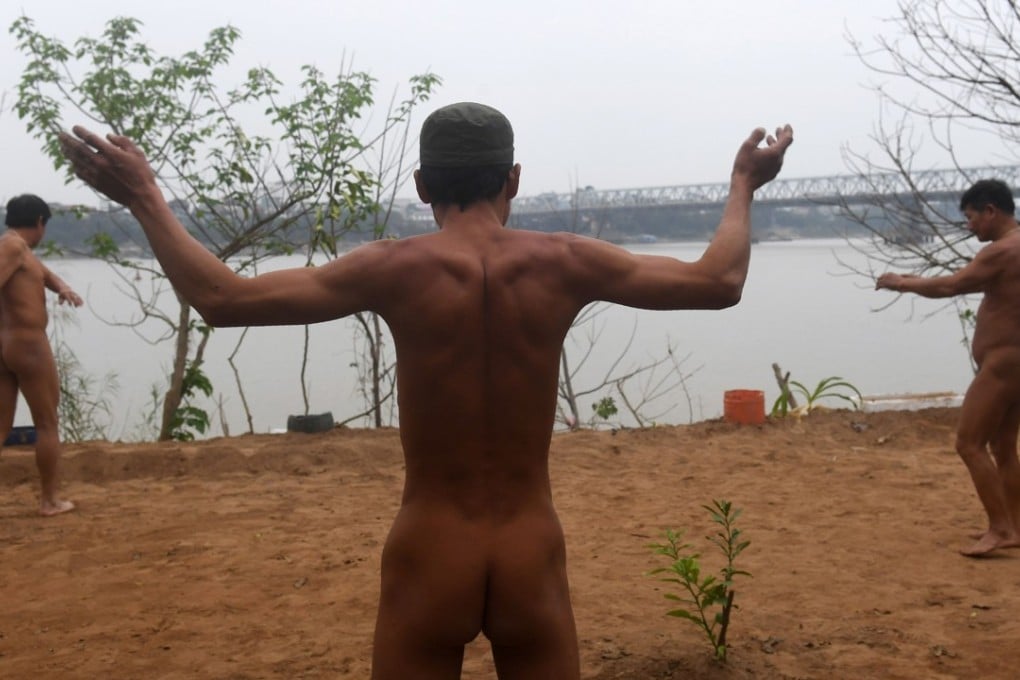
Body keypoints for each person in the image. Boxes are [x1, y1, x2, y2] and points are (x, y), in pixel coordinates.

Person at [58, 103, 793, 679]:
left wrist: (145, 197)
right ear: (513, 181)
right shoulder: (567, 260)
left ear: (421, 186)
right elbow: (719, 281)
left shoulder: (392, 267)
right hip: (530, 546)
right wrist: (742, 186)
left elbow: (222, 299)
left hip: (431, 545)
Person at [877, 178, 1020, 557]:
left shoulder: (1002, 251)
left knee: (968, 443)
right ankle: (1016, 526)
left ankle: (1000, 528)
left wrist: (902, 282)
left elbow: (951, 286)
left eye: (971, 217)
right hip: (1014, 364)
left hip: (1003, 365)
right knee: (1003, 446)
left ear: (991, 211)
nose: (969, 226)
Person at [1, 193, 82, 516]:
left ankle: (50, 499)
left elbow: (45, 274)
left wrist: (63, 288)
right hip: (28, 344)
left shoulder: (19, 250)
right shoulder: (13, 247)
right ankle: (49, 500)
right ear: (39, 222)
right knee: (47, 423)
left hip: (6, 347)